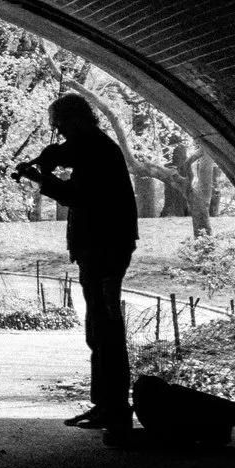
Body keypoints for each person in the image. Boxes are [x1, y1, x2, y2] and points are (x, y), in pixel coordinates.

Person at [15, 93, 140, 434]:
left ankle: (113, 407)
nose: (60, 135)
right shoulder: (92, 147)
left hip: (104, 247)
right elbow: (68, 158)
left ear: (76, 121)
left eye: (61, 126)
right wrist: (49, 163)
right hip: (100, 247)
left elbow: (78, 197)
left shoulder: (96, 150)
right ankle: (106, 404)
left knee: (106, 328)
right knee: (99, 328)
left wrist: (43, 179)